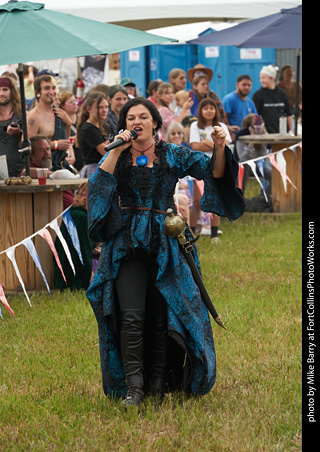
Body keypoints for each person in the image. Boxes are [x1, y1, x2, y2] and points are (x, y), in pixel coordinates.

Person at [86, 97, 245, 408]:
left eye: (143, 116)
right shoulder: (116, 155)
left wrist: (219, 146)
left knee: (161, 317)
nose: (137, 122)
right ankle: (134, 388)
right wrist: (117, 147)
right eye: (131, 117)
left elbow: (213, 172)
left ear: (155, 122)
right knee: (131, 316)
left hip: (164, 244)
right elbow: (98, 186)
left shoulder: (171, 153)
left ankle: (158, 384)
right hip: (126, 244)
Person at [190, 98, 231, 240]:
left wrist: (206, 142)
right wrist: (216, 144)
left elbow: (225, 146)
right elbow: (195, 146)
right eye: (205, 108)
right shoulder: (195, 126)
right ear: (200, 111)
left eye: (211, 108)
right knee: (197, 200)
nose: (209, 111)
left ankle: (214, 234)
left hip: (218, 165)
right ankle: (192, 232)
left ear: (216, 111)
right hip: (199, 166)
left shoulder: (222, 127)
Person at [53, 182, 100, 291]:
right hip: (76, 274)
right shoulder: (82, 219)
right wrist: (91, 279)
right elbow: (84, 253)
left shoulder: (72, 213)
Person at [27, 75, 74, 170]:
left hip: (60, 167)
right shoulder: (33, 117)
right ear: (38, 92)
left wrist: (68, 124)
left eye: (53, 88)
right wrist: (55, 145)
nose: (51, 92)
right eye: (47, 88)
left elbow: (65, 143)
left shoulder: (59, 113)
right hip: (43, 170)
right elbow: (27, 146)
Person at [20, 135, 74, 208]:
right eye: (41, 150)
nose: (47, 153)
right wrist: (56, 174)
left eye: (48, 149)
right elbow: (25, 172)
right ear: (31, 155)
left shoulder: (46, 170)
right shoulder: (30, 170)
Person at [235, 114, 271, 196]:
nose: (257, 127)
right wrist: (251, 142)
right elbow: (243, 159)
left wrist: (261, 140)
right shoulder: (241, 136)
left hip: (258, 166)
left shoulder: (262, 134)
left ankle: (265, 198)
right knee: (244, 168)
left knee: (274, 174)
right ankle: (240, 198)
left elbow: (264, 157)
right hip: (244, 166)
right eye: (255, 125)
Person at [76, 92, 110, 178]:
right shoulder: (88, 129)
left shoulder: (103, 127)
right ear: (89, 109)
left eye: (106, 107)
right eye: (100, 107)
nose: (104, 110)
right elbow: (106, 153)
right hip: (94, 170)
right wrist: (109, 148)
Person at [252, 65, 292, 134]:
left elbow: (288, 114)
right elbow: (256, 117)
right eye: (260, 78)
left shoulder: (282, 94)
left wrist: (291, 131)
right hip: (266, 134)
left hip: (282, 133)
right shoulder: (258, 95)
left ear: (272, 78)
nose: (261, 81)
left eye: (264, 78)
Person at [0, 76, 24, 177]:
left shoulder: (21, 114)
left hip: (18, 169)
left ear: (12, 91)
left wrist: (19, 133)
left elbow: (29, 142)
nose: (1, 93)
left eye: (5, 89)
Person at [222, 74, 258, 141]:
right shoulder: (229, 99)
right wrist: (230, 133)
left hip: (247, 139)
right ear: (237, 85)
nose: (246, 87)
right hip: (233, 139)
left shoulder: (250, 102)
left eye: (249, 85)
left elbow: (256, 119)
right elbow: (223, 117)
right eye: (244, 85)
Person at [59, 90, 83, 171]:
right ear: (62, 105)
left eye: (75, 101)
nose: (74, 104)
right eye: (70, 102)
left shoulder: (82, 119)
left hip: (82, 157)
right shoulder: (61, 122)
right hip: (69, 158)